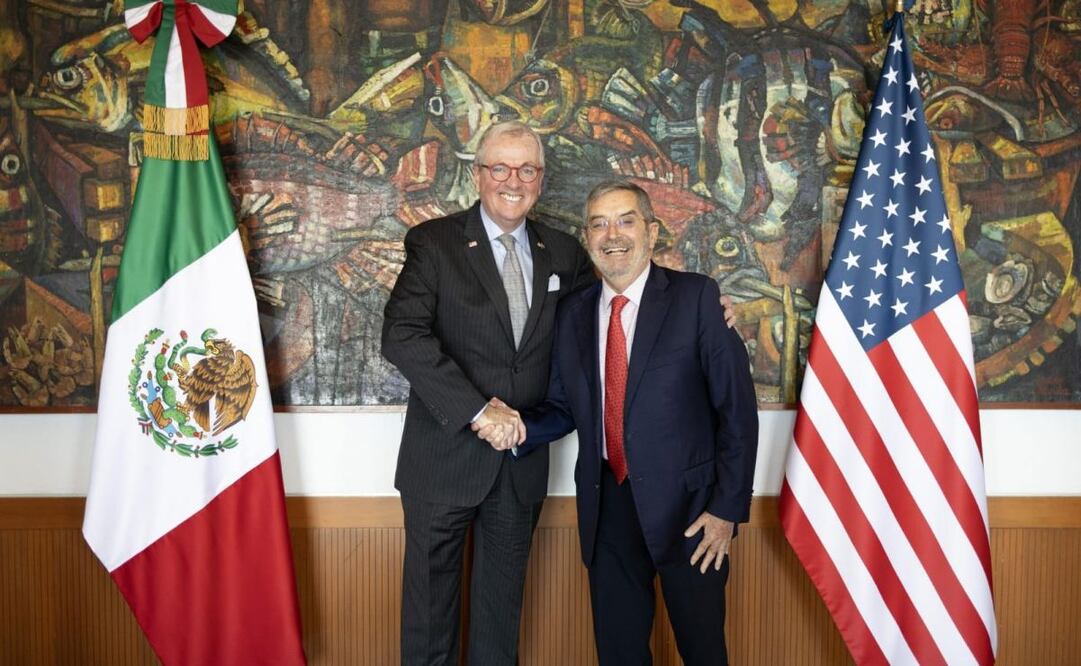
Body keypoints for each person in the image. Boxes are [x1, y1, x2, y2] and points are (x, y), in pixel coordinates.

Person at [479, 180, 759, 665]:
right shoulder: (572, 313)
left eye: (626, 220)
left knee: (704, 652)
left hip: (693, 515)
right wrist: (518, 427)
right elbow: (565, 406)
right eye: (599, 224)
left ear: (651, 233)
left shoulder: (698, 299)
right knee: (619, 653)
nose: (613, 234)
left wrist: (726, 510)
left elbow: (736, 411)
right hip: (607, 507)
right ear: (587, 238)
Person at [381, 120, 594, 665]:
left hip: (519, 466)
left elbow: (611, 307)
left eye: (526, 169)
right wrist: (477, 410)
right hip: (442, 459)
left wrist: (698, 302)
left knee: (500, 625)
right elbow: (402, 335)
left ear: (541, 179)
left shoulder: (565, 254)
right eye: (499, 167)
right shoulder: (435, 242)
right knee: (430, 623)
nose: (512, 180)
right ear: (478, 175)